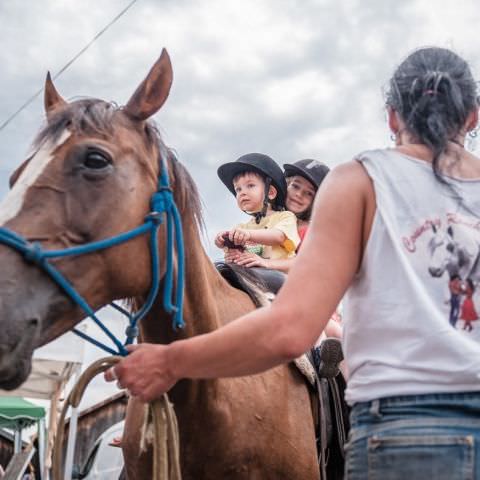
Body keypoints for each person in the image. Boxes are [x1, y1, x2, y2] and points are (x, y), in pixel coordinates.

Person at [106, 47, 480, 479]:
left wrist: (170, 361)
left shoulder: (360, 181)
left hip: (401, 432)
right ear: (471, 116)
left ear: (393, 117)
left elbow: (289, 330)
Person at [214, 152, 300, 262]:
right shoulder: (241, 227)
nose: (242, 193)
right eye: (238, 189)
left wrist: (248, 234)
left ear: (270, 192)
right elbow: (236, 253)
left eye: (250, 185)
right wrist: (224, 241)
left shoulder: (285, 217)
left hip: (279, 276)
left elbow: (279, 236)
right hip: (253, 276)